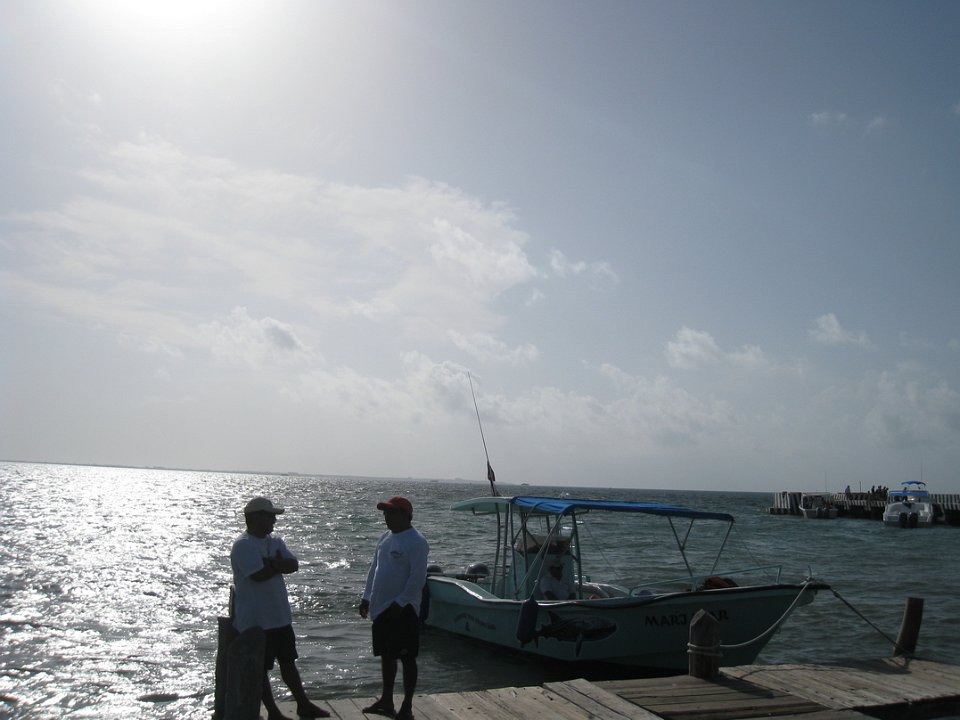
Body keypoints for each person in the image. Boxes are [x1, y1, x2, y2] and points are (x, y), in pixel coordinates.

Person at [231, 496, 328, 720]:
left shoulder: (275, 541)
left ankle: (303, 704)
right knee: (260, 669)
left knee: (288, 662)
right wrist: (277, 565)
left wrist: (272, 563)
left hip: (279, 617)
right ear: (255, 518)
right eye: (269, 516)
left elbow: (293, 565)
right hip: (255, 620)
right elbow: (258, 575)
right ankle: (273, 712)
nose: (274, 520)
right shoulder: (243, 545)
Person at [358, 496, 429, 720]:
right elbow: (374, 569)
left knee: (407, 658)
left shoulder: (416, 541)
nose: (387, 517)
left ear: (406, 515)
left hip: (404, 609)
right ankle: (386, 700)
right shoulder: (385, 538)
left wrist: (401, 602)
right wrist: (366, 597)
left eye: (392, 513)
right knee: (386, 655)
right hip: (380, 606)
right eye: (385, 513)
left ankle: (407, 706)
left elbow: (418, 578)